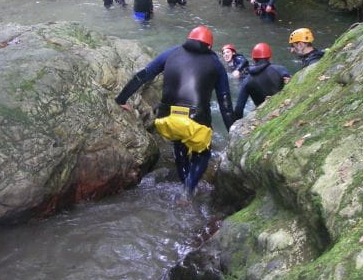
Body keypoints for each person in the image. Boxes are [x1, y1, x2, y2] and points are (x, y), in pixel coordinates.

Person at [115, 25, 234, 197]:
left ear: (189, 39)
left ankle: (183, 177)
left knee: (179, 141)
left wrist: (121, 100)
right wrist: (233, 131)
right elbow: (225, 103)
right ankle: (188, 189)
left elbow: (143, 75)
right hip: (195, 122)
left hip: (166, 120)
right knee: (203, 153)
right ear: (209, 46)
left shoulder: (171, 52)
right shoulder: (216, 64)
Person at [233, 43, 291, 119]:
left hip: (263, 115)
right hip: (282, 110)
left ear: (253, 59)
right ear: (270, 57)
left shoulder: (247, 80)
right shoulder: (280, 70)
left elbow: (239, 108)